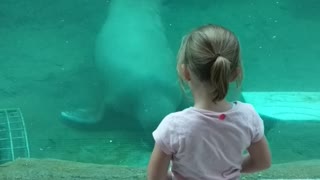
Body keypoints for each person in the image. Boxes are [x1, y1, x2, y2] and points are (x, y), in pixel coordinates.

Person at [147, 24, 271, 180]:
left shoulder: (173, 126)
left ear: (185, 72)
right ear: (235, 74)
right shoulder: (248, 117)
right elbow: (263, 162)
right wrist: (230, 169)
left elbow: (155, 177)